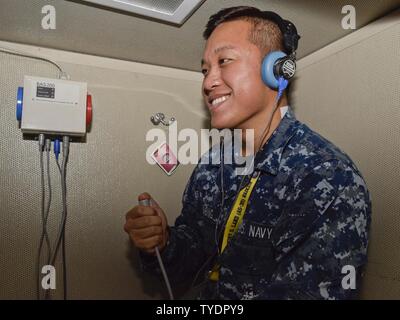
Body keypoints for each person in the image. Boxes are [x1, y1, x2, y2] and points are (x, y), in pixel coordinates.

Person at [124, 6, 371, 300]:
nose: (207, 82)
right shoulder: (212, 165)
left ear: (276, 69)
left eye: (224, 61)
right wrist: (162, 243)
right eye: (205, 70)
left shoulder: (328, 177)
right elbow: (188, 264)